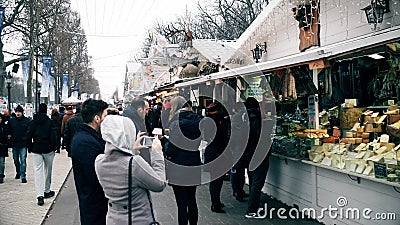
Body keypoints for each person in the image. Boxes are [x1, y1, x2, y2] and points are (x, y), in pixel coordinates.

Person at [95, 115, 166, 225]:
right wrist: (157, 153)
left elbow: (120, 165)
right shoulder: (134, 163)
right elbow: (159, 184)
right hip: (137, 219)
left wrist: (132, 149)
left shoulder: (99, 161)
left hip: (113, 218)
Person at [161, 96, 203, 225]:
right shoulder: (198, 121)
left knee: (181, 204)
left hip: (179, 166)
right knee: (192, 200)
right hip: (194, 163)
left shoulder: (176, 123)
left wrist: (164, 141)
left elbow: (171, 150)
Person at [70, 99, 109, 225]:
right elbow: (95, 175)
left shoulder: (89, 136)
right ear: (97, 118)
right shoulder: (85, 142)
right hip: (94, 204)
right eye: (105, 116)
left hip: (94, 202)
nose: (107, 120)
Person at [243, 97, 272, 219]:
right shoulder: (259, 121)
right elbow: (262, 138)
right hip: (259, 154)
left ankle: (253, 203)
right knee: (257, 182)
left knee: (252, 178)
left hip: (248, 154)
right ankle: (252, 210)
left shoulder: (243, 119)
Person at [201, 101, 231, 213]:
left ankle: (216, 201)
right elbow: (223, 137)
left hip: (211, 152)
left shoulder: (206, 121)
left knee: (215, 180)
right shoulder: (219, 121)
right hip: (218, 153)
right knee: (216, 180)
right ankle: (215, 204)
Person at [26, 103, 58, 206]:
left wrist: (30, 147)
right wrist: (54, 148)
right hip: (48, 149)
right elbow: (53, 136)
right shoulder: (50, 122)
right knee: (48, 170)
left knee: (37, 172)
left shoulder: (33, 122)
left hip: (36, 149)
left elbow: (28, 136)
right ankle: (47, 190)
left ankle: (39, 195)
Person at [230, 102, 250, 202]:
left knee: (239, 172)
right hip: (238, 150)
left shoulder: (239, 118)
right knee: (237, 172)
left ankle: (239, 191)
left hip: (238, 149)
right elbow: (237, 136)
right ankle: (237, 191)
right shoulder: (238, 119)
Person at [8, 105, 31, 183]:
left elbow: (29, 132)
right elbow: (9, 131)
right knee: (15, 160)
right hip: (14, 143)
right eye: (16, 112)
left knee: (23, 160)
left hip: (23, 144)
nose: (18, 113)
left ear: (22, 112)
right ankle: (18, 171)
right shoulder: (12, 121)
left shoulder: (27, 121)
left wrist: (27, 140)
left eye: (19, 112)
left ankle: (23, 175)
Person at [0, 113, 10, 183]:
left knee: (2, 162)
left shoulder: (5, 127)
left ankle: (1, 175)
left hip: (2, 146)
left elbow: (7, 136)